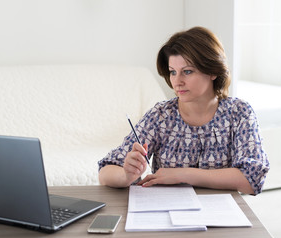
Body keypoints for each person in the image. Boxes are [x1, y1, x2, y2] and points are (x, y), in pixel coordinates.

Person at [98, 26, 270, 195]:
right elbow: (105, 172)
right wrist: (126, 175)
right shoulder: (161, 115)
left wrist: (184, 174)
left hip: (221, 215)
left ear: (213, 71)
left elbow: (252, 179)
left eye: (187, 71)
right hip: (168, 212)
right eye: (173, 72)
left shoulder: (240, 113)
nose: (177, 81)